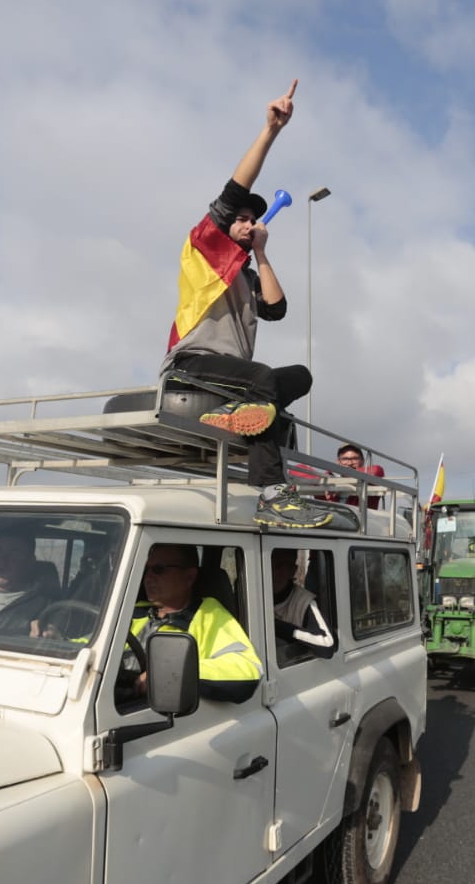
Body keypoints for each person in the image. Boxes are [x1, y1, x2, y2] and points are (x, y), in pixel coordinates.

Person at [160, 80, 344, 531]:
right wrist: (271, 132)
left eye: (252, 219)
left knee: (299, 376)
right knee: (264, 385)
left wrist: (262, 253)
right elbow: (234, 187)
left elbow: (277, 310)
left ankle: (238, 418)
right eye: (241, 219)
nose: (246, 223)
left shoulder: (244, 270)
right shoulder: (204, 246)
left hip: (235, 383)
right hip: (193, 365)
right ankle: (273, 495)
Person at [124, 543, 262, 704]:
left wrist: (170, 673)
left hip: (168, 713)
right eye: (146, 569)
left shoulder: (208, 614)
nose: (148, 577)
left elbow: (248, 670)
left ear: (189, 577)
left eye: (159, 569)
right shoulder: (132, 611)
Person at [271, 549, 334, 662]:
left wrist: (279, 627)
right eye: (270, 564)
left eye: (281, 565)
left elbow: (327, 645)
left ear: (293, 571)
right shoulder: (251, 595)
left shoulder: (304, 601)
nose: (274, 572)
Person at [335, 444, 386, 509]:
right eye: (345, 459)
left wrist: (347, 473)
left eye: (355, 459)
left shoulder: (368, 479)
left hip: (360, 518)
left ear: (362, 461)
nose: (350, 463)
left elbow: (377, 470)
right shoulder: (330, 479)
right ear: (338, 462)